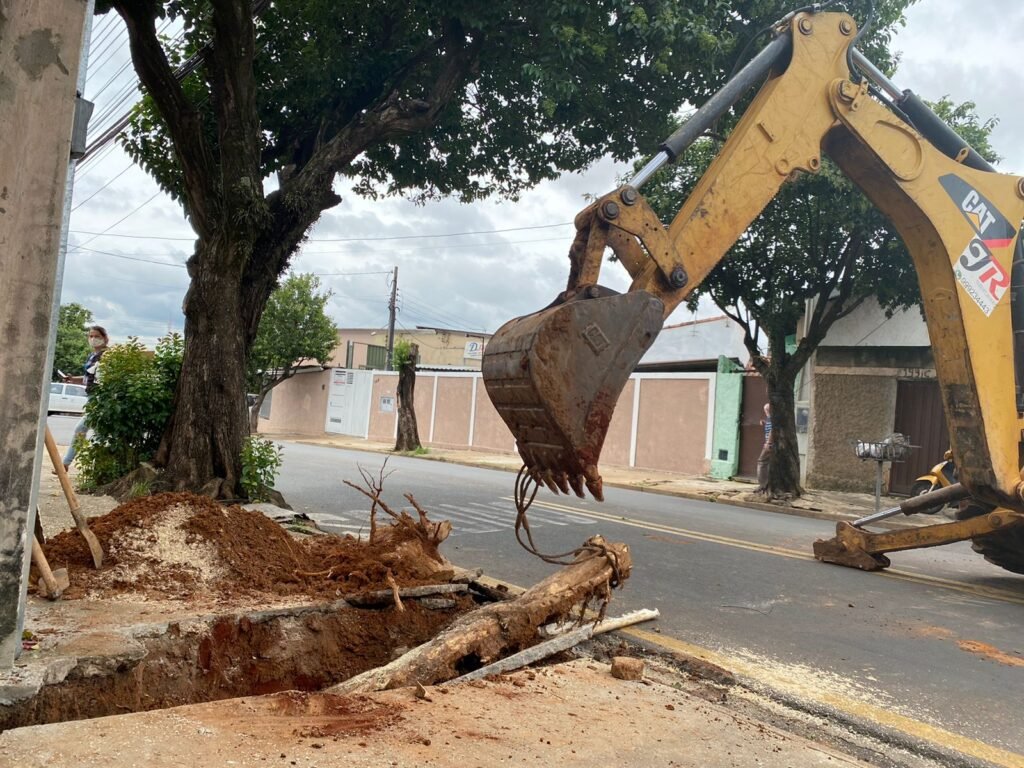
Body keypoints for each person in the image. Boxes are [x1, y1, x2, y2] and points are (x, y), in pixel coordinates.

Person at [61, 325, 109, 471]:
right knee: (99, 433)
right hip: (92, 397)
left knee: (81, 428)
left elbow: (103, 378)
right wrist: (71, 379)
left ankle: (65, 463)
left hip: (100, 398)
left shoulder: (106, 355)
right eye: (91, 336)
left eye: (96, 336)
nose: (93, 339)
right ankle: (98, 468)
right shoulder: (92, 356)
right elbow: (88, 378)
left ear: (105, 338)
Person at [756, 403, 772, 493]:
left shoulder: (772, 418)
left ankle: (763, 485)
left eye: (766, 410)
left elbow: (772, 431)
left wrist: (768, 443)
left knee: (761, 461)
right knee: (769, 463)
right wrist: (764, 422)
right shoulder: (769, 418)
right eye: (765, 410)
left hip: (770, 445)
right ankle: (767, 484)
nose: (765, 412)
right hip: (770, 444)